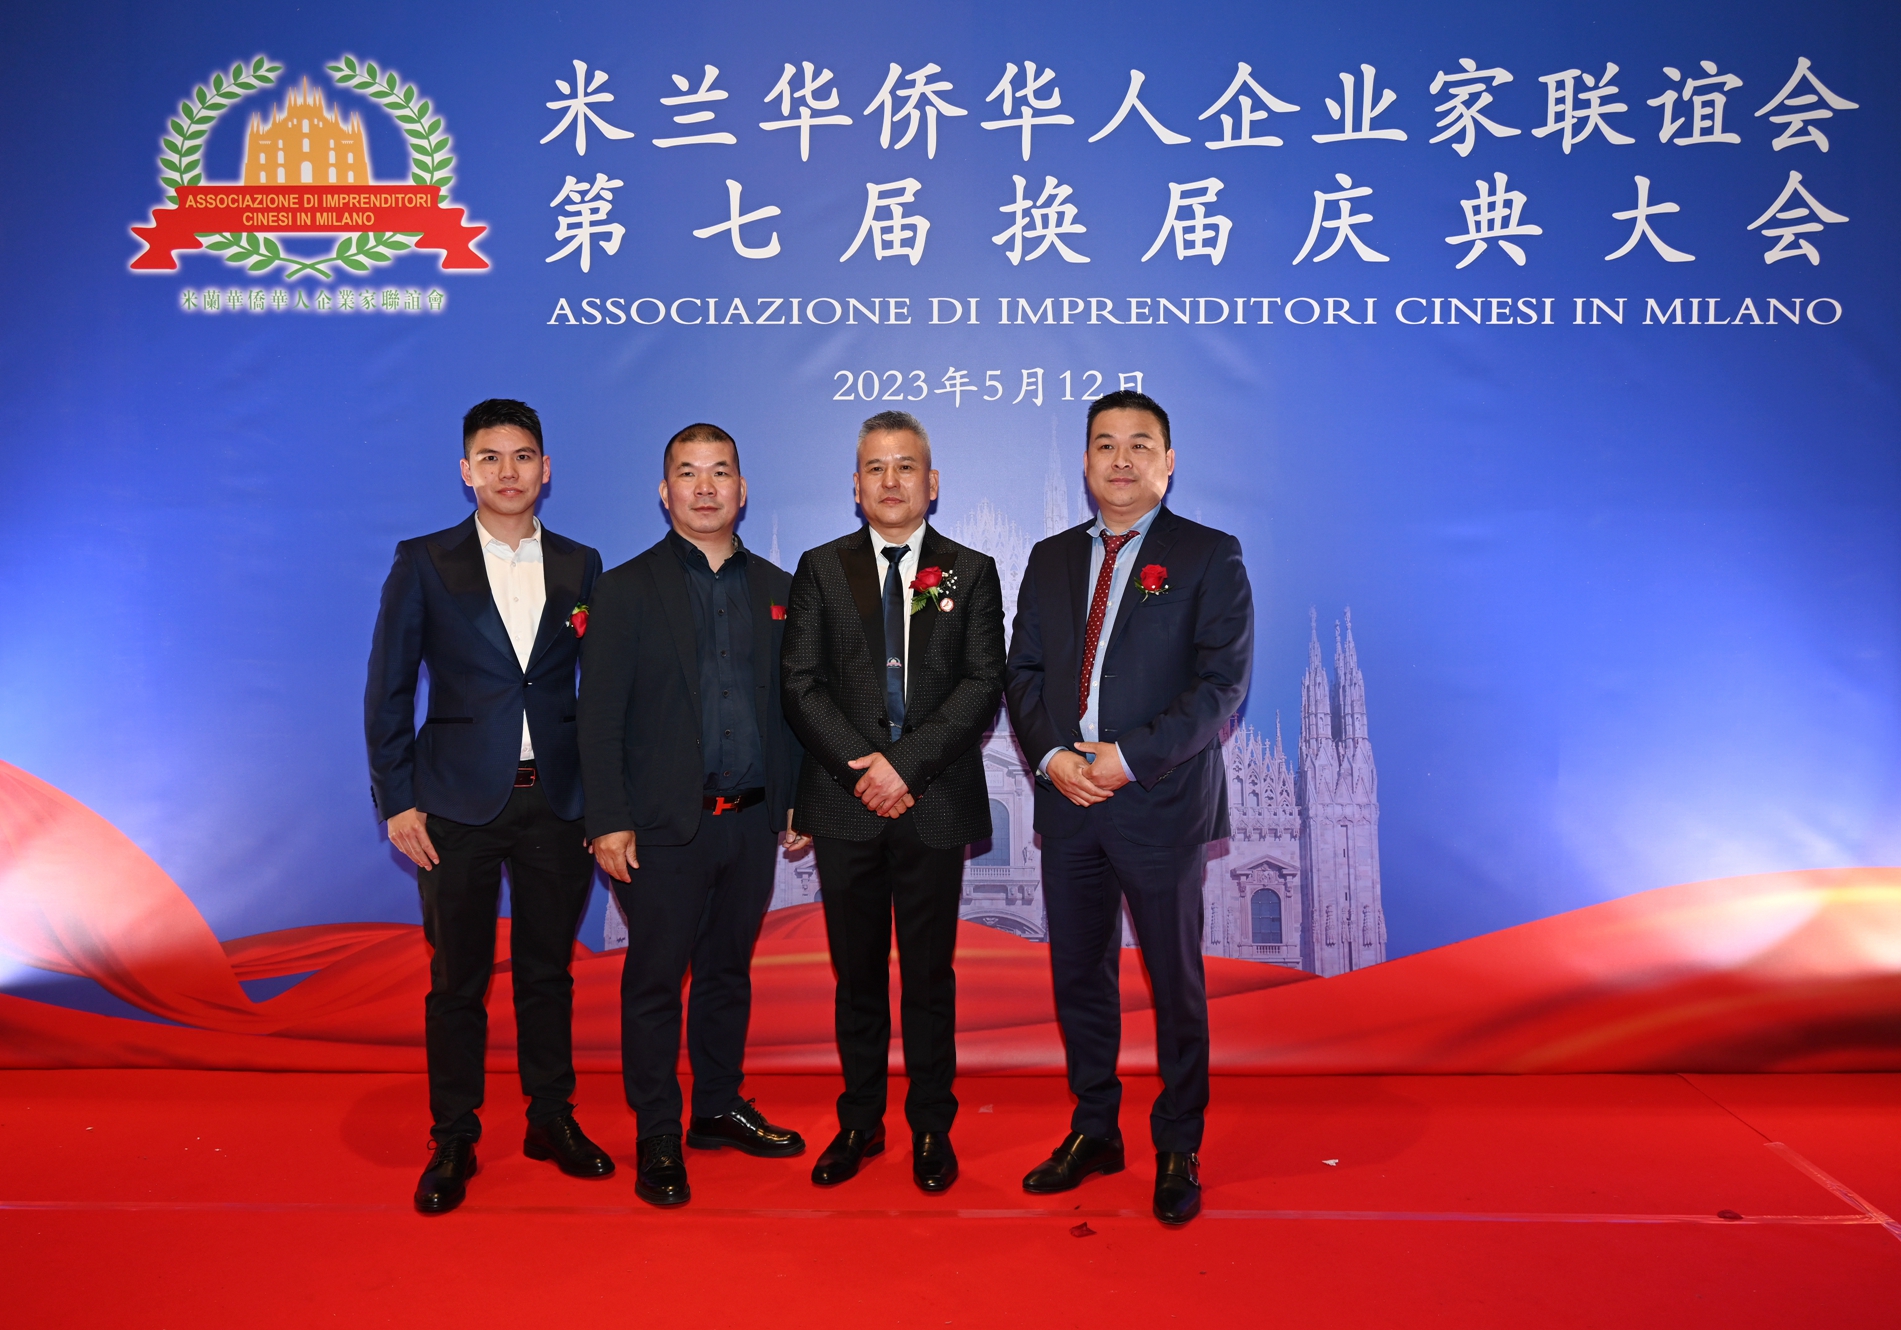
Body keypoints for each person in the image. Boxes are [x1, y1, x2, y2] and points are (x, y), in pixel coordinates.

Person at [1004, 391, 1253, 1226]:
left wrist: (1126, 758)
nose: (1121, 459)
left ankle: (1178, 1140)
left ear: (1167, 462)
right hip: (1068, 800)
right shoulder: (1048, 558)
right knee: (1079, 974)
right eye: (1104, 444)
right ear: (1084, 463)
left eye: (1139, 444)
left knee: (1173, 980)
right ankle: (1094, 1128)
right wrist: (1052, 757)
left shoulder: (1209, 554)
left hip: (1159, 800)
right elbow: (1022, 674)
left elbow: (1220, 687)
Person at [365, 398, 610, 1216]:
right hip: (453, 807)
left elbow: (604, 693)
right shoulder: (425, 561)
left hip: (558, 804)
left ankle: (551, 1118)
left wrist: (605, 799)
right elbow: (387, 689)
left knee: (548, 973)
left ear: (547, 470)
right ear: (466, 471)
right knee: (457, 981)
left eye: (524, 456)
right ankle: (454, 1135)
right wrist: (398, 799)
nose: (509, 472)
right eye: (491, 457)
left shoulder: (581, 564)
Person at [577, 423, 809, 1209]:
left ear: (742, 490)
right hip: (658, 828)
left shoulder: (780, 589)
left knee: (726, 973)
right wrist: (607, 817)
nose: (705, 487)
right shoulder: (624, 588)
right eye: (688, 472)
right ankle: (656, 1131)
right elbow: (598, 716)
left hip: (750, 822)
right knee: (654, 980)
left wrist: (797, 798)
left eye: (720, 472)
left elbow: (794, 711)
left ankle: (715, 1106)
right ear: (664, 491)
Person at [781, 410, 1005, 1194]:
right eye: (874, 467)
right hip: (844, 803)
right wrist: (862, 771)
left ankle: (931, 1128)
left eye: (904, 466)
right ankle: (859, 1122)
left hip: (933, 801)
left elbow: (982, 683)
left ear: (930, 482)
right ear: (855, 485)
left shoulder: (971, 571)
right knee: (857, 976)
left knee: (929, 978)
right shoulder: (820, 568)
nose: (889, 480)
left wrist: (901, 768)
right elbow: (799, 683)